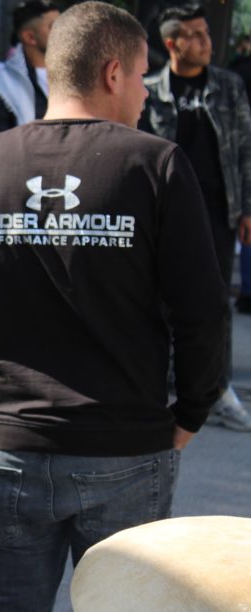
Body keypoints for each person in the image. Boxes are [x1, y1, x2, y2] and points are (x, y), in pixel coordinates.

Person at [0, 3, 227, 612]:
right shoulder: (155, 165)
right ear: (113, 72)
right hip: (127, 447)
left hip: (12, 446)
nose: (144, 93)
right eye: (141, 77)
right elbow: (204, 312)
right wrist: (191, 411)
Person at [140, 4, 251, 431]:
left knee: (215, 299)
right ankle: (159, 383)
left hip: (218, 209)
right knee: (157, 296)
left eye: (206, 33)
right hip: (165, 209)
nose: (206, 42)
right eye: (196, 35)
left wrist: (246, 207)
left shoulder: (228, 85)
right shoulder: (151, 89)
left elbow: (244, 147)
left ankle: (216, 387)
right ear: (172, 43)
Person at [0, 0, 59, 138]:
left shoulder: (75, 76)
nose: (62, 31)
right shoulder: (0, 87)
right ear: (30, 37)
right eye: (53, 26)